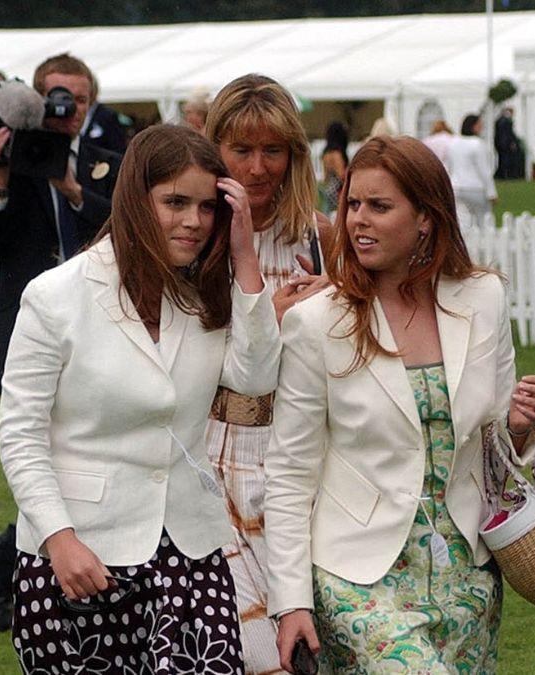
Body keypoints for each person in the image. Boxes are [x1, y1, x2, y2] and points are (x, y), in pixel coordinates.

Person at [0, 123, 279, 673]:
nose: (194, 221)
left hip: (191, 554)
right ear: (134, 199)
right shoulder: (55, 296)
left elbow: (256, 378)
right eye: (175, 202)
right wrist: (59, 539)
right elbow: (20, 434)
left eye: (207, 207)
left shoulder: (203, 297)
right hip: (80, 558)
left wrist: (244, 256)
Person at [266, 135, 535, 673]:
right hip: (356, 576)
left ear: (425, 217)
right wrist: (291, 602)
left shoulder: (483, 298)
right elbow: (289, 473)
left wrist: (517, 427)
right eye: (352, 203)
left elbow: (496, 456)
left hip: (466, 573)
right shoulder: (316, 322)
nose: (358, 220)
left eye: (379, 206)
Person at [0, 52, 122, 632]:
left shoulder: (109, 163)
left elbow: (126, 230)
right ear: (36, 99)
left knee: (77, 454)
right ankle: (35, 567)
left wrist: (74, 189)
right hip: (23, 329)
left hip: (95, 328)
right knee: (36, 448)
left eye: (77, 99)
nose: (67, 109)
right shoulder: (10, 159)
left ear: (91, 103)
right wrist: (1, 183)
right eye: (56, 96)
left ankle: (12, 552)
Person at [200, 72, 333, 674]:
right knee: (249, 650)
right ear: (215, 150)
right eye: (242, 150)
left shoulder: (320, 236)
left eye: (273, 150)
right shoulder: (196, 234)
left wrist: (338, 301)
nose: (257, 167)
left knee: (302, 639)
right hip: (212, 458)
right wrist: (266, 321)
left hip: (300, 461)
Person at [444, 114, 497, 228]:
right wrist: (492, 192)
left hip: (456, 187)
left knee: (462, 221)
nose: (482, 127)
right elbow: (484, 170)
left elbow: (447, 167)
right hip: (476, 188)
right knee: (483, 220)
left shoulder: (452, 143)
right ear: (473, 126)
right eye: (479, 124)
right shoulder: (478, 144)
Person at [319, 121, 348, 215]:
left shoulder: (326, 154)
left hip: (329, 190)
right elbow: (342, 175)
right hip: (337, 192)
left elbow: (326, 177)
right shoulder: (337, 154)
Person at [493, 106, 523, 180]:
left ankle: (502, 174)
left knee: (501, 159)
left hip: (499, 143)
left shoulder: (499, 120)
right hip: (505, 144)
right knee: (506, 160)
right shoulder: (507, 121)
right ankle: (506, 174)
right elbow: (509, 133)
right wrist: (512, 143)